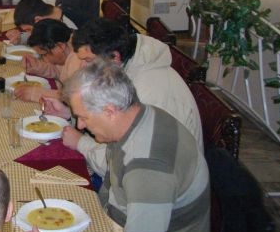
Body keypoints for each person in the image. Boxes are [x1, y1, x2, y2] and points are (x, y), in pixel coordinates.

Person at [62, 61, 209, 232]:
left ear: (110, 111)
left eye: (83, 117)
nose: (80, 125)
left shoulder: (148, 168)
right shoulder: (137, 118)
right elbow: (112, 183)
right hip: (127, 230)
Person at [61, 18, 203, 176]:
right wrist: (73, 113)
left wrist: (81, 143)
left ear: (114, 57)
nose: (83, 67)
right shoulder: (128, 66)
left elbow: (122, 164)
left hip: (161, 178)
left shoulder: (147, 93)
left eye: (88, 60)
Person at [13, 19, 82, 109]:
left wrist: (37, 93)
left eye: (44, 54)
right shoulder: (66, 47)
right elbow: (59, 72)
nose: (45, 59)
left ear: (60, 46)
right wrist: (39, 67)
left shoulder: (78, 60)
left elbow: (76, 99)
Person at [5, 0, 77, 45]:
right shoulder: (57, 14)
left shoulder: (70, 32)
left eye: (28, 30)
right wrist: (20, 39)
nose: (29, 34)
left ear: (38, 20)